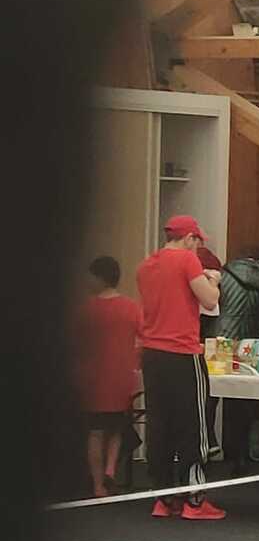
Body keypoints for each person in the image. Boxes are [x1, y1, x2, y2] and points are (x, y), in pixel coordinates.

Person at [136, 214, 225, 520]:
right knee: (193, 425)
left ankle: (162, 497)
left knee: (159, 425)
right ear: (189, 238)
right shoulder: (188, 260)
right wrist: (213, 280)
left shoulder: (146, 265)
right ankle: (195, 500)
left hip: (152, 354)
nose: (198, 247)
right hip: (183, 353)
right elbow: (210, 301)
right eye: (197, 241)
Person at [78, 256, 141, 498]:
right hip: (122, 376)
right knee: (117, 427)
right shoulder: (131, 307)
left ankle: (97, 485)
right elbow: (144, 337)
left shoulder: (86, 309)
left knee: (95, 432)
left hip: (94, 377)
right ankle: (111, 470)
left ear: (100, 278)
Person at [216, 244, 259, 473]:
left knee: (214, 394)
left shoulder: (223, 275)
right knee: (244, 400)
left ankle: (213, 448)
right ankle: (241, 456)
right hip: (251, 344)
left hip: (223, 340)